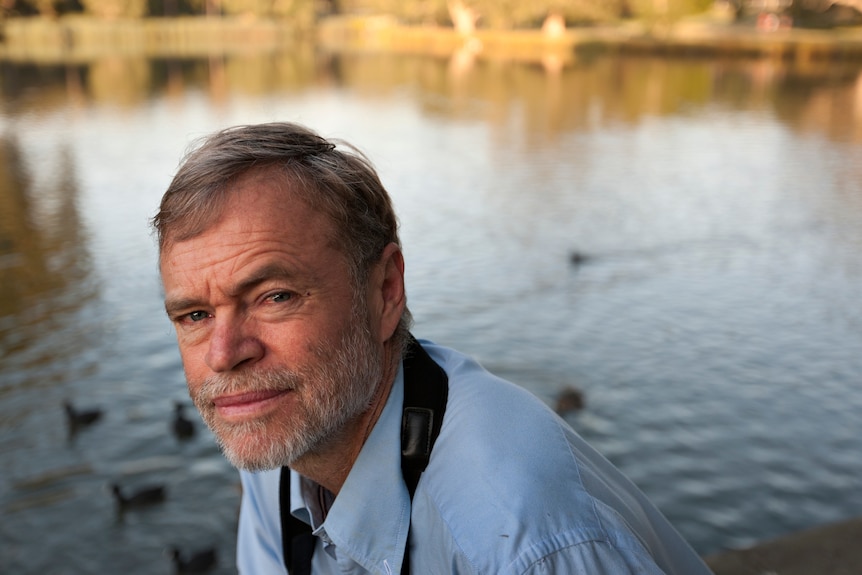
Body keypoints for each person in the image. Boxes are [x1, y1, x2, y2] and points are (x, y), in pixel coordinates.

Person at [152, 121, 713, 575]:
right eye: (195, 315)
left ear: (385, 292)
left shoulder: (526, 542)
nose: (225, 353)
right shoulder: (276, 443)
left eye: (274, 296)